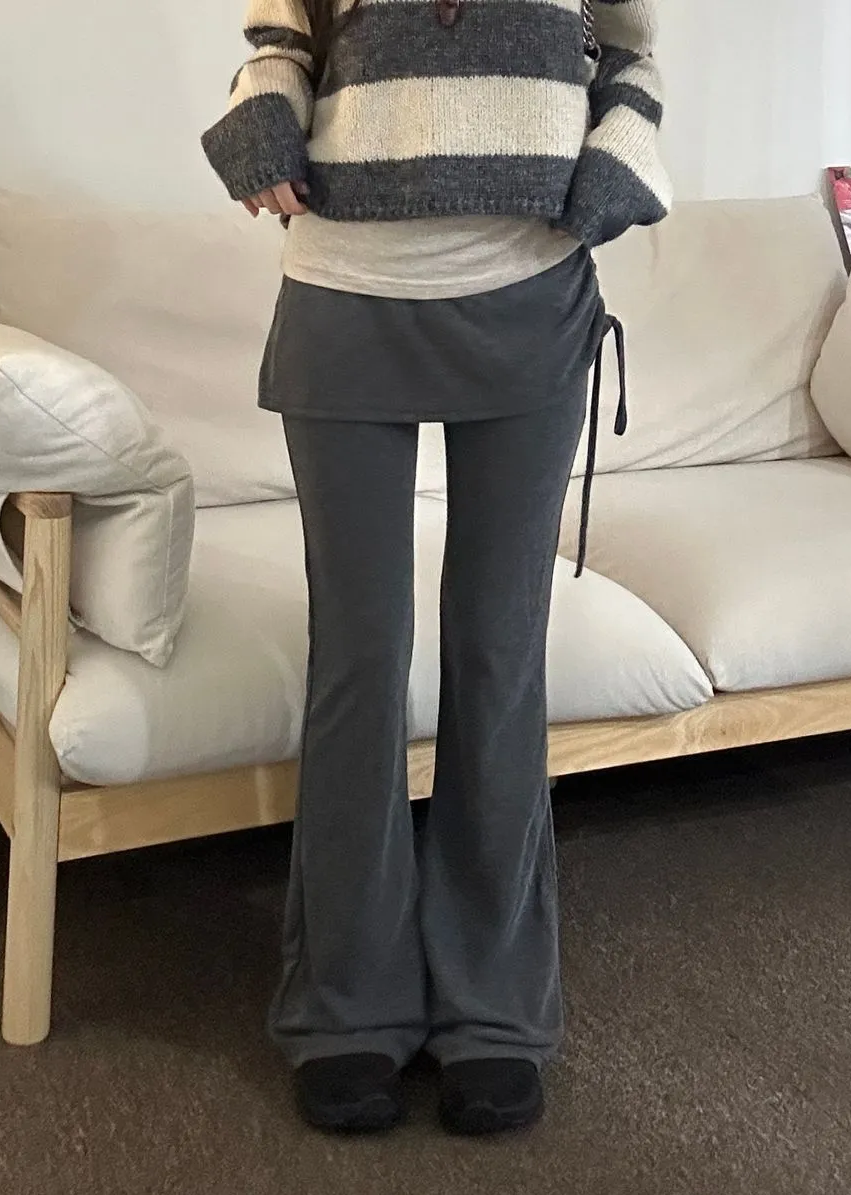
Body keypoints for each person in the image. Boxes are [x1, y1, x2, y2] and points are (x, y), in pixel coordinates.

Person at [202, 0, 669, 1136]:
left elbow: (633, 49)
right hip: (346, 294)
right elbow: (280, 39)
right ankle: (345, 1003)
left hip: (531, 293)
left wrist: (618, 156)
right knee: (359, 658)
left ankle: (494, 1007)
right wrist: (262, 115)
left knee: (498, 653)